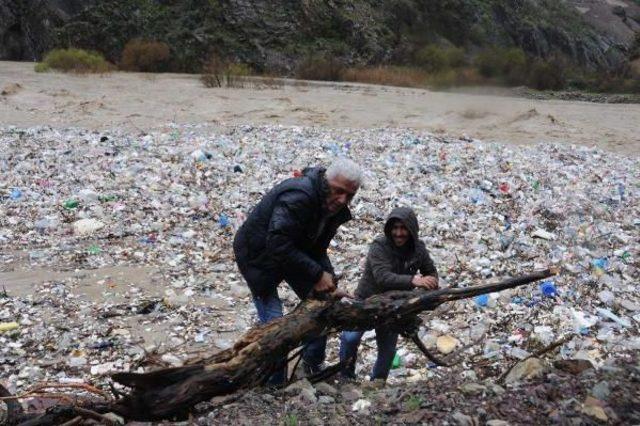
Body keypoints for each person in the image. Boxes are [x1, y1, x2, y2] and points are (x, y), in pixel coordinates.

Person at [233, 158, 362, 384]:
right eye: (339, 191)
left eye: (350, 195)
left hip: (291, 252)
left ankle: (311, 364)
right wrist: (316, 274)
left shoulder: (330, 207)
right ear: (326, 182)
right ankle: (275, 384)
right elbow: (277, 243)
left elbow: (317, 249)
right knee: (276, 326)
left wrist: (329, 281)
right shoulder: (299, 196)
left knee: (323, 305)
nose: (343, 200)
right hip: (258, 257)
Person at [339, 207, 438, 382]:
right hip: (367, 301)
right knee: (350, 338)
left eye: (403, 228)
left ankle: (377, 382)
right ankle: (346, 377)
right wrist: (413, 281)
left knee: (387, 349)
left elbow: (431, 272)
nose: (399, 233)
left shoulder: (418, 249)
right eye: (395, 228)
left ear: (412, 229)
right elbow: (382, 277)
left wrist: (427, 285)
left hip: (394, 306)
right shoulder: (379, 246)